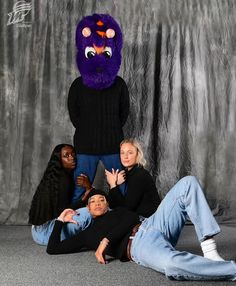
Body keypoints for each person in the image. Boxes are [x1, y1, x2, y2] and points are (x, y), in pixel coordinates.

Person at [46, 187, 236, 281]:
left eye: (101, 199)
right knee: (172, 265)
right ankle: (231, 270)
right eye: (93, 201)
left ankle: (209, 250)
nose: (97, 203)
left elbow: (131, 218)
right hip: (140, 245)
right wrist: (60, 220)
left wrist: (105, 241)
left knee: (187, 184)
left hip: (153, 223)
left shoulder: (118, 211)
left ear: (107, 204)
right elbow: (53, 249)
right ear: (87, 208)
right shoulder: (86, 236)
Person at [68, 14, 129, 203]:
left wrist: (111, 128)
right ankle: (71, 223)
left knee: (121, 185)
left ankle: (127, 222)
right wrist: (87, 128)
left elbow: (123, 113)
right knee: (79, 187)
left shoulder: (119, 84)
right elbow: (74, 113)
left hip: (112, 144)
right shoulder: (78, 85)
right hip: (86, 145)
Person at [28, 144, 93, 245]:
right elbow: (65, 211)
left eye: (73, 154)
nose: (72, 158)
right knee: (90, 212)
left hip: (36, 231)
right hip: (47, 234)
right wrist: (88, 190)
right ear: (59, 160)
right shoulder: (63, 181)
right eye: (66, 156)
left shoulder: (54, 175)